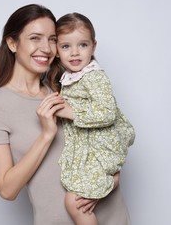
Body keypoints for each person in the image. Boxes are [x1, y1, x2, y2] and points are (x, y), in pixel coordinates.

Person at [0, 4, 132, 225]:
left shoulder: (68, 87)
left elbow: (112, 134)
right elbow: (7, 189)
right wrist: (46, 135)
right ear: (12, 43)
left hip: (112, 216)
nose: (46, 48)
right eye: (35, 38)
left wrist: (113, 179)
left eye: (52, 39)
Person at [47, 12, 135, 224]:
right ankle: (109, 182)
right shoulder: (69, 77)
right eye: (66, 46)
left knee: (73, 203)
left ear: (93, 47)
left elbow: (107, 111)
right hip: (89, 150)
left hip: (101, 149)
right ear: (57, 51)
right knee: (75, 198)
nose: (75, 53)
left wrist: (71, 112)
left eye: (83, 45)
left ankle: (108, 182)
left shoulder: (94, 75)